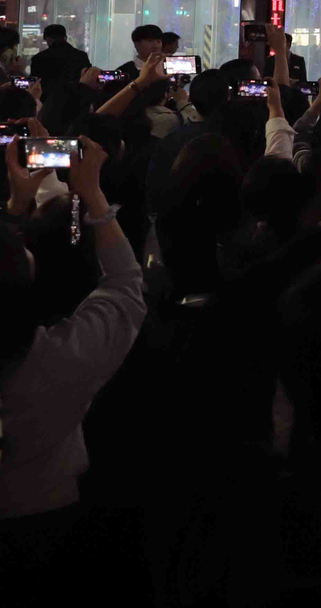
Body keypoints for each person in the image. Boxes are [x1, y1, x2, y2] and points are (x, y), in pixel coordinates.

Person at [0, 138, 146, 571]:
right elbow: (124, 283)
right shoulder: (62, 360)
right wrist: (93, 194)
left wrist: (15, 208)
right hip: (48, 518)